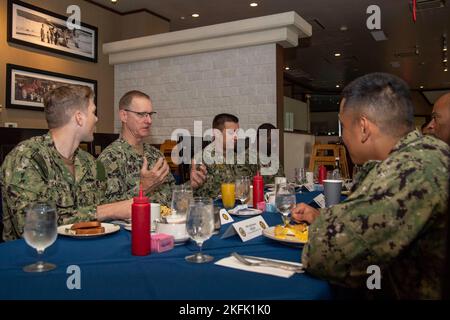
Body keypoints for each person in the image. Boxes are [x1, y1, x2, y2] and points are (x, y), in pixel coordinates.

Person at [291, 73, 449, 299]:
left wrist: (323, 227)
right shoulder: (426, 151)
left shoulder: (410, 170)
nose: (342, 137)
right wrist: (322, 218)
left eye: (343, 126)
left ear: (363, 128)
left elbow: (325, 256)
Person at [1, 85, 132, 241]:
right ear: (79, 117)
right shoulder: (27, 158)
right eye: (93, 112)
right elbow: (33, 227)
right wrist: (106, 211)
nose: (96, 118)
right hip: (33, 259)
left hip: (85, 251)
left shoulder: (89, 163)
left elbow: (106, 210)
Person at [98, 90, 206, 206]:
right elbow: (105, 209)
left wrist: (191, 185)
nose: (149, 120)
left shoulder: (155, 154)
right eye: (141, 114)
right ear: (124, 115)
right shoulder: (109, 158)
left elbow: (170, 194)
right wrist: (143, 188)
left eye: (150, 114)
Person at [194, 113, 258, 198]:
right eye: (231, 133)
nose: (236, 137)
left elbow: (248, 184)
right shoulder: (201, 159)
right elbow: (201, 195)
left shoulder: (238, 157)